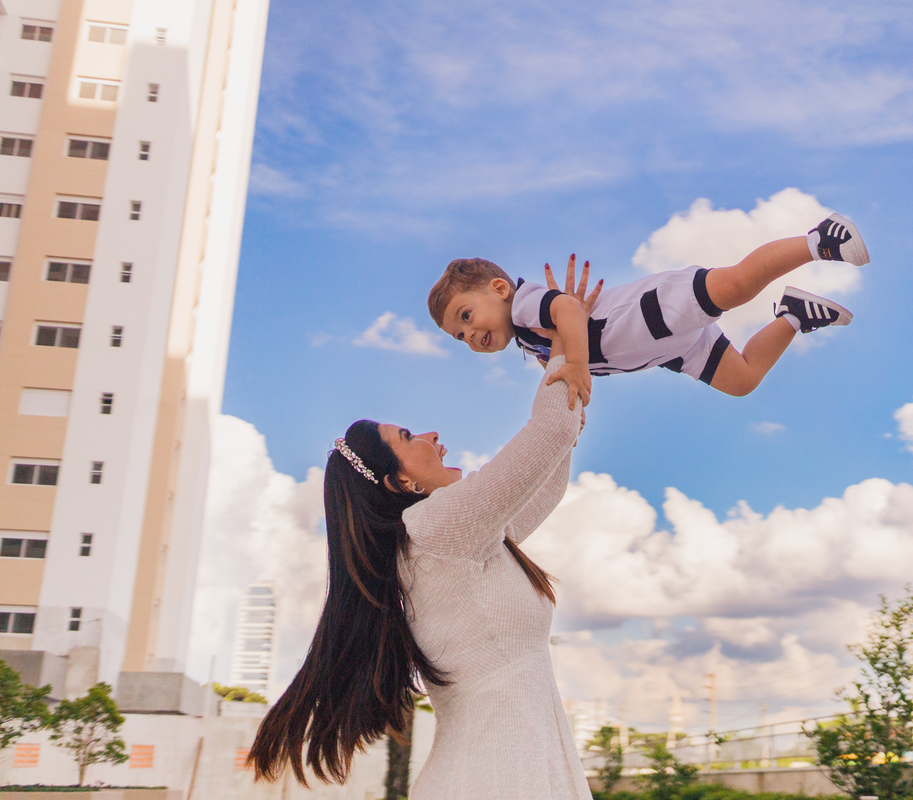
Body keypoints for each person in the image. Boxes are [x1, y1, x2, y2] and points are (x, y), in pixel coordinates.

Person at [247, 270, 595, 799]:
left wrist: (563, 354)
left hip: (505, 770)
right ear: (400, 482)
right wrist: (564, 334)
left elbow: (547, 478)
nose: (433, 436)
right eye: (409, 437)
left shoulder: (449, 542)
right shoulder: (435, 527)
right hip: (495, 778)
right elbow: (549, 432)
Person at [428, 212, 869, 407]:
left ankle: (819, 240)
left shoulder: (524, 306)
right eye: (459, 337)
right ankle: (793, 313)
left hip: (652, 312)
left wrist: (577, 365)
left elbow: (567, 308)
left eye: (466, 317)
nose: (470, 336)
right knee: (743, 380)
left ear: (499, 288)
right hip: (668, 350)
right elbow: (562, 370)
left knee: (736, 285)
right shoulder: (528, 339)